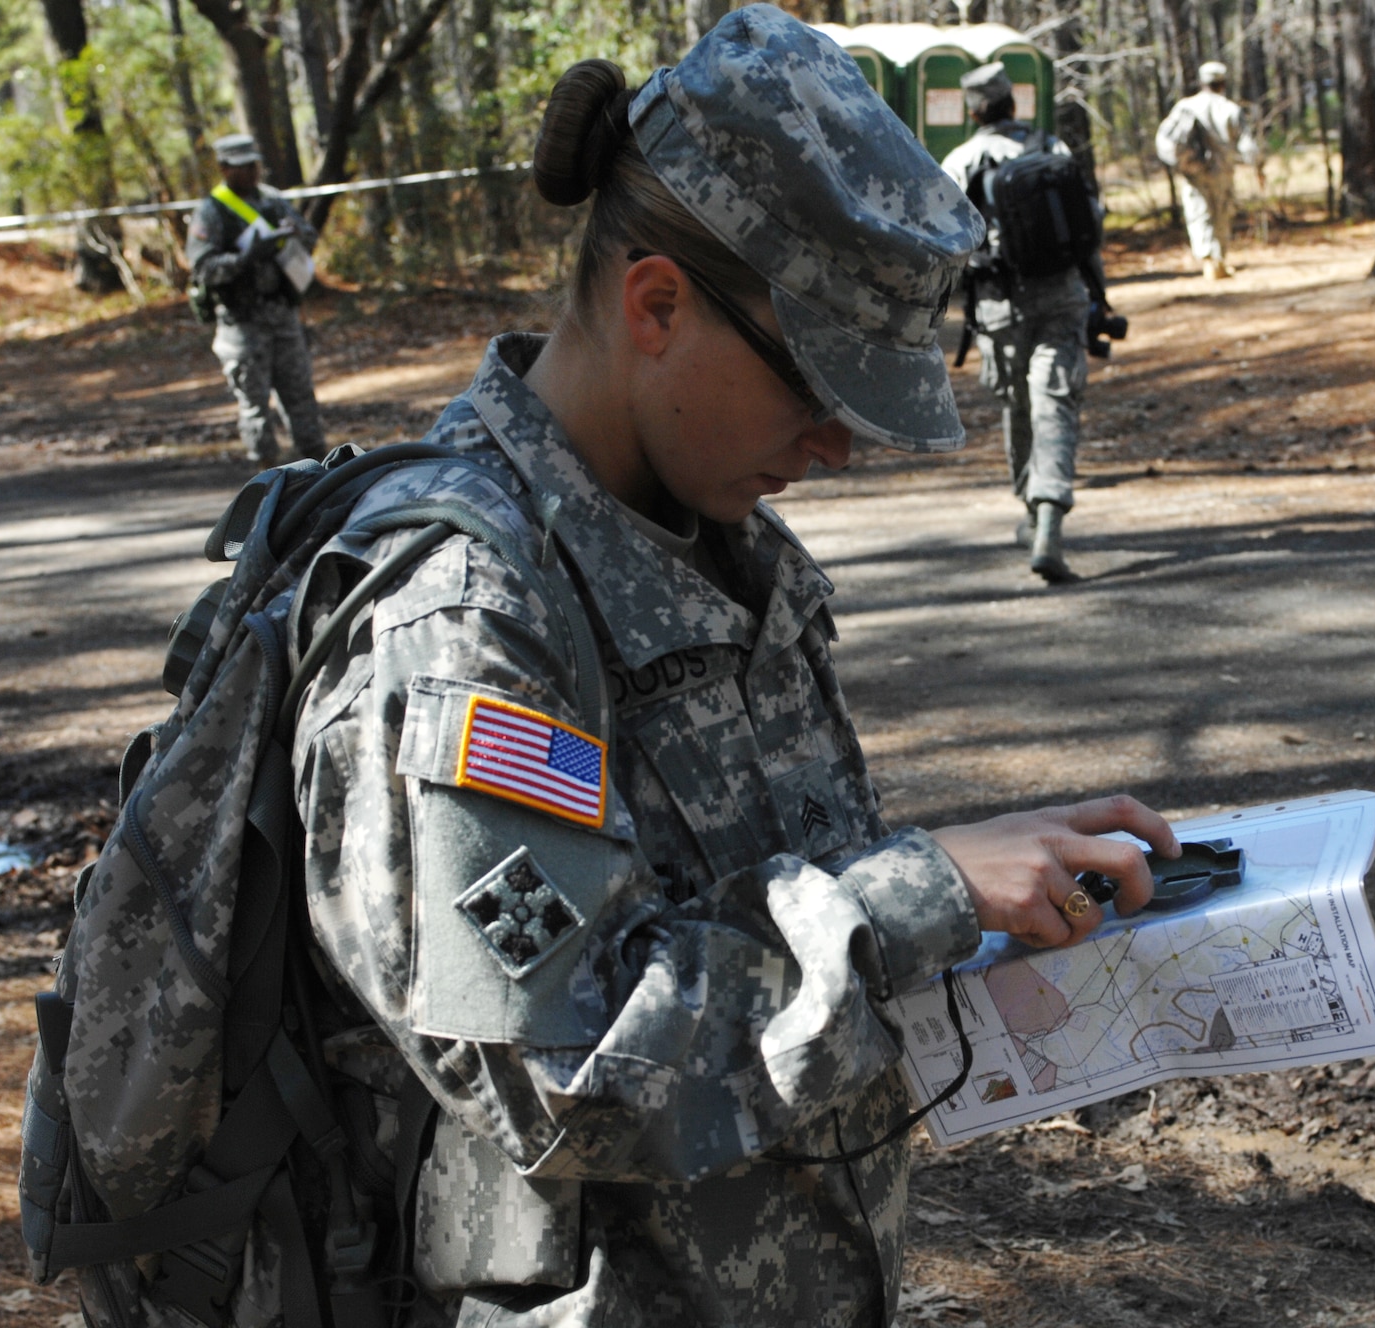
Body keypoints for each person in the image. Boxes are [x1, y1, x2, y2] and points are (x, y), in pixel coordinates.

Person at [287, 10, 1176, 1326]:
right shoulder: (458, 613)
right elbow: (560, 1057)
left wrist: (1006, 902)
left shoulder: (718, 542)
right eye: (819, 389)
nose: (839, 448)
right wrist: (912, 898)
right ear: (658, 305)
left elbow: (776, 914)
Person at [940, 62, 1096, 583]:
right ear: (1013, 104)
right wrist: (1098, 295)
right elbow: (1090, 221)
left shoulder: (962, 160)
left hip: (998, 303)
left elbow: (944, 239)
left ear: (973, 110)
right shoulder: (1051, 149)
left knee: (1019, 405)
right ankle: (1049, 515)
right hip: (1064, 294)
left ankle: (1033, 513)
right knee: (1056, 402)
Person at [187, 133, 327, 463]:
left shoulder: (271, 201)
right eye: (242, 167)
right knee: (255, 405)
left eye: (254, 165)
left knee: (301, 397)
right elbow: (202, 268)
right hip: (243, 323)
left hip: (282, 314)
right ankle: (264, 478)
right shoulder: (212, 211)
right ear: (224, 169)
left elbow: (309, 236)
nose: (251, 173)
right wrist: (245, 258)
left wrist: (293, 234)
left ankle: (317, 471)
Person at [1156, 62, 1244, 279]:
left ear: (1202, 82)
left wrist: (1182, 163)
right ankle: (1218, 260)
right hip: (1222, 171)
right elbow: (1246, 143)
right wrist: (1258, 166)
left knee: (1199, 213)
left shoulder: (1186, 106)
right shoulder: (1230, 108)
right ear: (1223, 83)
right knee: (1221, 213)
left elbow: (1165, 140)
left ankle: (1211, 260)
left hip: (1194, 171)